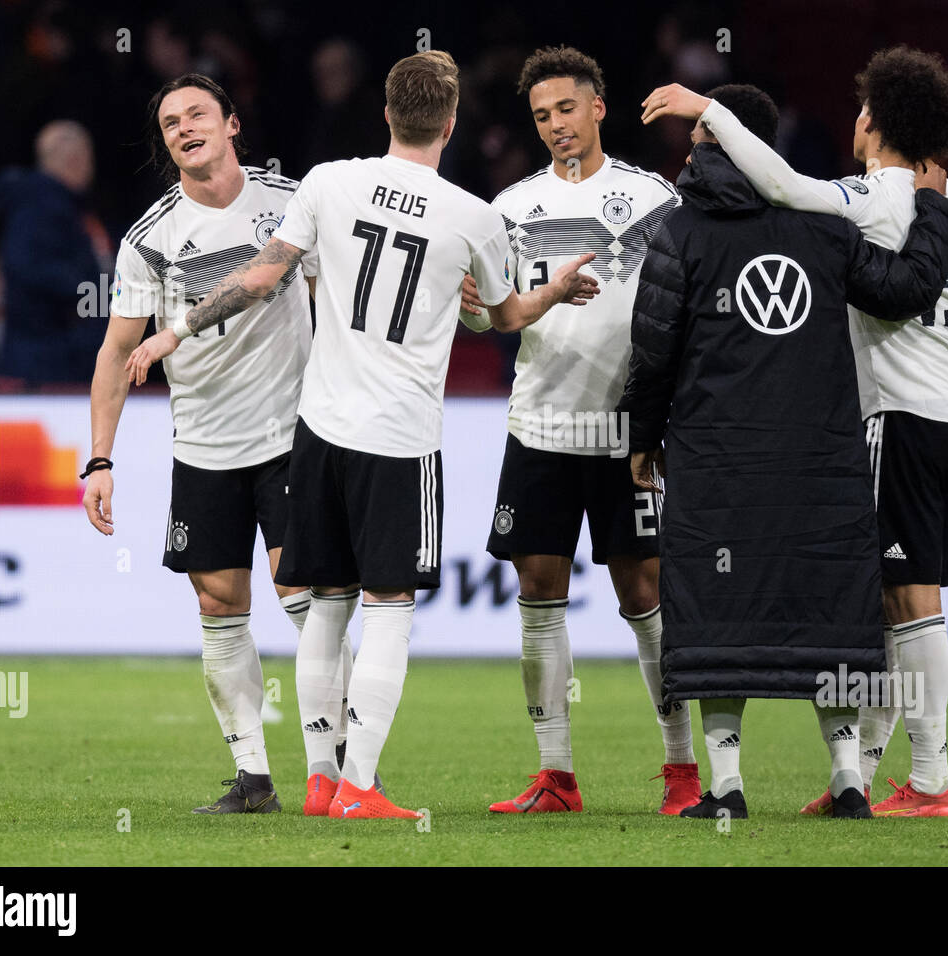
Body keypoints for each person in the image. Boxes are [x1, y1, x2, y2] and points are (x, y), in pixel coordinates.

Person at [124, 50, 600, 820]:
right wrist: (554, 291)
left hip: (316, 431)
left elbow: (257, 276)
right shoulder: (472, 215)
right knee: (389, 608)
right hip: (399, 438)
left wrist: (174, 329)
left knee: (328, 601)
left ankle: (319, 779)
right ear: (450, 122)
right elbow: (501, 317)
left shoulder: (326, 181)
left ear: (387, 114)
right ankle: (360, 786)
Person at [642, 45, 948, 817]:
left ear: (874, 121)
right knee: (876, 604)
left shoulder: (860, 198)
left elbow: (779, 183)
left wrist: (708, 111)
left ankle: (929, 778)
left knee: (907, 603)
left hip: (897, 417)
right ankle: (858, 776)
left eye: (862, 109)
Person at [84, 73, 342, 815]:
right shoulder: (150, 238)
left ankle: (336, 768)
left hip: (293, 433)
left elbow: (333, 294)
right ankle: (253, 779)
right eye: (170, 122)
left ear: (232, 123)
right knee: (217, 600)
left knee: (304, 594)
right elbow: (116, 353)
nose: (184, 127)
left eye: (198, 113)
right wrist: (100, 458)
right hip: (202, 445)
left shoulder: (290, 203)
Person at [458, 45, 699, 816]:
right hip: (540, 424)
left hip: (624, 429)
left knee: (644, 592)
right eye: (541, 116)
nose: (556, 125)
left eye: (567, 109)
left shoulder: (655, 199)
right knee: (538, 590)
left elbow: (683, 307)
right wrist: (470, 303)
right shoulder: (509, 208)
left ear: (597, 107)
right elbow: (483, 314)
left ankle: (682, 771)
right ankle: (556, 775)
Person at [0, 120, 111, 386]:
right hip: (45, 358)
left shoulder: (63, 207)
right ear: (74, 159)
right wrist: (92, 288)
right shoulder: (40, 207)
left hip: (55, 351)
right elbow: (27, 266)